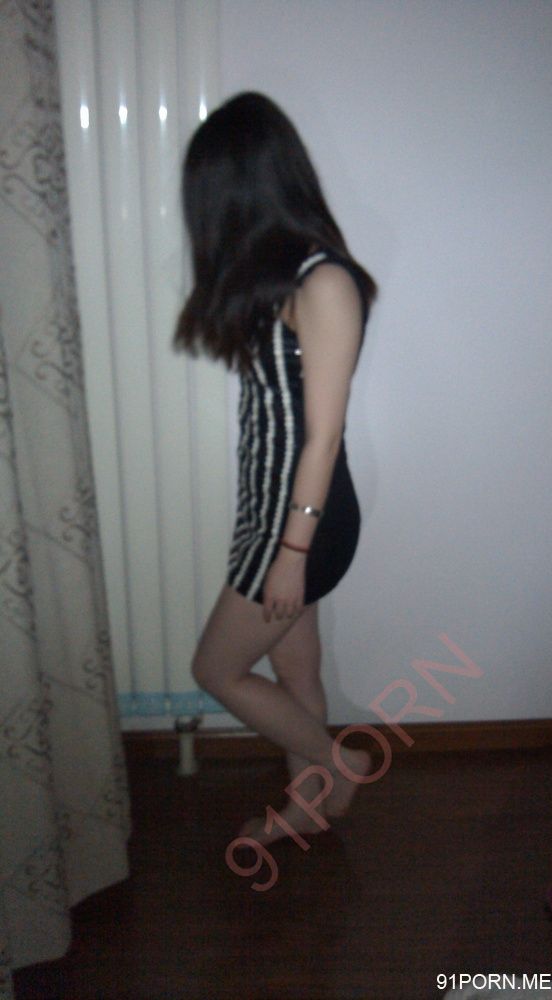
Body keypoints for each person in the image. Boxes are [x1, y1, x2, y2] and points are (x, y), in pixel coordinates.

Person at [174, 91, 377, 845]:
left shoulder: (324, 283)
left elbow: (321, 437)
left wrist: (291, 552)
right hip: (272, 510)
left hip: (301, 520)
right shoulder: (281, 281)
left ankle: (340, 765)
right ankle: (308, 806)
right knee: (295, 673)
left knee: (215, 670)